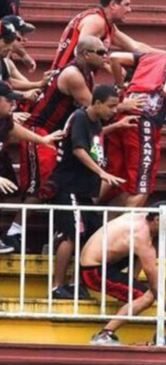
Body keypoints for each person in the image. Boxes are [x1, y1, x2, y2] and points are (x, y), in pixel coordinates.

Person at [4, 36, 109, 250]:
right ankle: (12, 234)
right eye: (100, 52)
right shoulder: (74, 75)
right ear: (85, 53)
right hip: (39, 130)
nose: (104, 56)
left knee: (58, 183)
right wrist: (125, 106)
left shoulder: (83, 72)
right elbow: (96, 109)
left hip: (53, 135)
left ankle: (57, 235)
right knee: (42, 185)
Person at [43, 84, 138, 299]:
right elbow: (78, 149)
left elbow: (95, 135)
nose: (115, 111)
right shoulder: (79, 117)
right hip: (68, 187)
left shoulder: (94, 121)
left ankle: (76, 283)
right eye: (111, 106)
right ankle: (56, 286)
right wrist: (101, 172)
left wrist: (117, 126)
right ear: (96, 103)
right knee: (71, 234)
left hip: (83, 190)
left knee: (94, 235)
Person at [103, 30, 166, 208]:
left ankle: (87, 219)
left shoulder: (149, 56)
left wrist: (120, 86)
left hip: (121, 118)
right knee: (142, 186)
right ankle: (122, 233)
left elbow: (114, 57)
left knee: (115, 175)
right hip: (143, 123)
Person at [80, 201, 166, 345]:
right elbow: (156, 289)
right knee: (148, 297)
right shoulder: (141, 238)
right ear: (158, 219)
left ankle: (129, 289)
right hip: (93, 271)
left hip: (99, 262)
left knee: (143, 259)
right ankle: (105, 334)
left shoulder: (141, 218)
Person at [0, 81, 62, 254]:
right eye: (8, 100)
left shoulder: (5, 120)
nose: (13, 104)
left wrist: (42, 140)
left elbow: (14, 130)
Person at [51, 0, 161, 71]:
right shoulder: (96, 21)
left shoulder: (107, 25)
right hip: (64, 83)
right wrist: (113, 67)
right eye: (126, 5)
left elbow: (136, 46)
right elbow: (82, 53)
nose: (129, 10)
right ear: (113, 4)